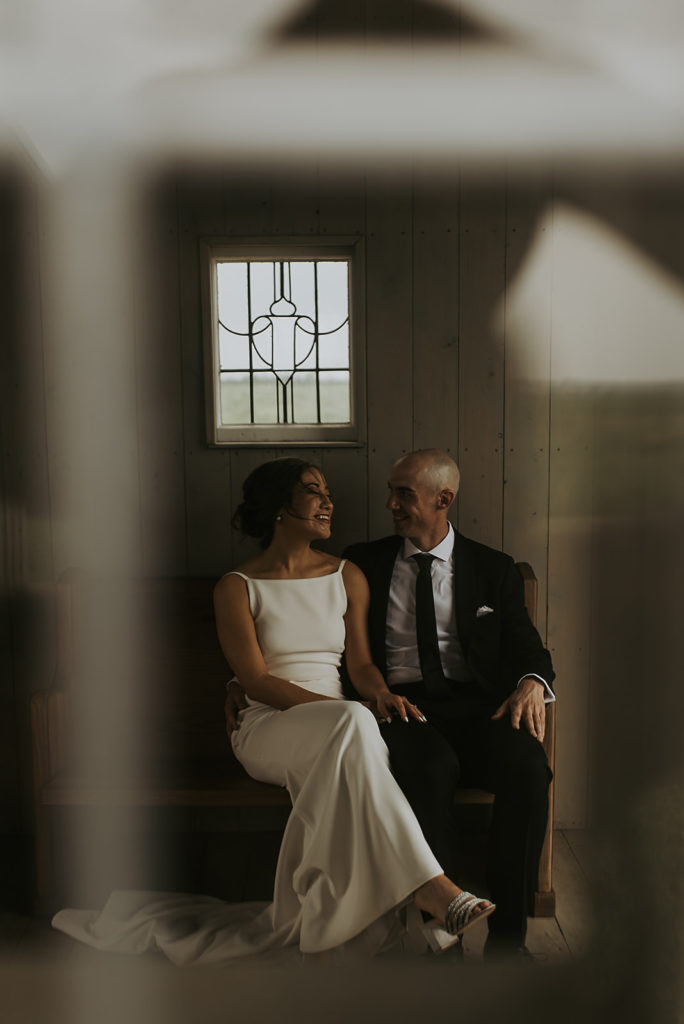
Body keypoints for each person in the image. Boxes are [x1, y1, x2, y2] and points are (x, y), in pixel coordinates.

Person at [53, 457, 493, 964]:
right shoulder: (237, 586)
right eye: (312, 491)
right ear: (279, 509)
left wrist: (377, 695)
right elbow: (257, 681)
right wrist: (345, 711)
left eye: (327, 491)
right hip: (266, 724)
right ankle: (434, 891)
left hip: (342, 729)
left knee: (352, 727)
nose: (328, 501)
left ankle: (427, 898)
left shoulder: (347, 575)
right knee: (351, 725)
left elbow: (364, 664)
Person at [227, 450, 554, 960]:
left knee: (530, 768)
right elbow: (269, 655)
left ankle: (509, 941)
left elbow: (526, 646)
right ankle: (440, 936)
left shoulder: (493, 569)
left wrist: (533, 681)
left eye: (403, 494)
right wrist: (241, 682)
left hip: (473, 710)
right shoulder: (366, 562)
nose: (390, 504)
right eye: (392, 491)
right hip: (400, 712)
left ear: (443, 499)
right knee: (429, 769)